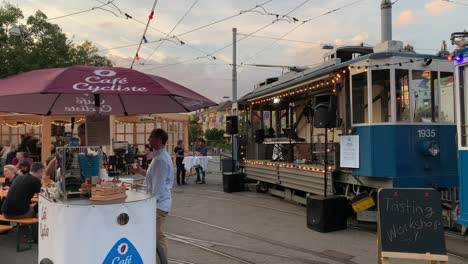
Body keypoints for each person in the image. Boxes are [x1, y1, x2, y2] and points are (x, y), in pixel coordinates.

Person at [132, 129, 173, 261]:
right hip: (158, 204)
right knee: (156, 237)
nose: (148, 140)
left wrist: (147, 203)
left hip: (158, 205)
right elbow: (153, 177)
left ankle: (162, 261)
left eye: (151, 138)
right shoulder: (158, 157)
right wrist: (140, 171)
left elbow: (158, 188)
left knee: (157, 237)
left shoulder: (160, 160)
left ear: (158, 140)